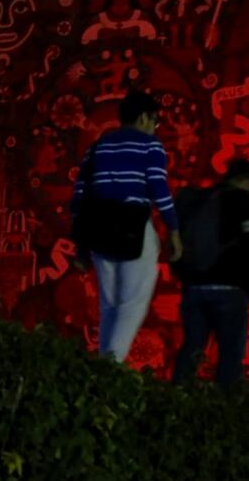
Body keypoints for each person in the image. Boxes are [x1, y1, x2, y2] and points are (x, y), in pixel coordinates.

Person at [70, 90, 182, 362]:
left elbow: (80, 193)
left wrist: (81, 243)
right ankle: (112, 364)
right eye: (155, 121)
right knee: (133, 303)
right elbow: (159, 188)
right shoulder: (150, 145)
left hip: (98, 229)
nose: (155, 128)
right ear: (144, 117)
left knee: (109, 304)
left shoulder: (98, 146)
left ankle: (105, 360)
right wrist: (174, 230)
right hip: (132, 225)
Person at [171, 158, 249, 387]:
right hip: (230, 290)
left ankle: (177, 399)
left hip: (194, 288)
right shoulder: (245, 202)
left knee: (192, 347)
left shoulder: (197, 200)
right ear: (247, 181)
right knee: (230, 353)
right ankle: (226, 409)